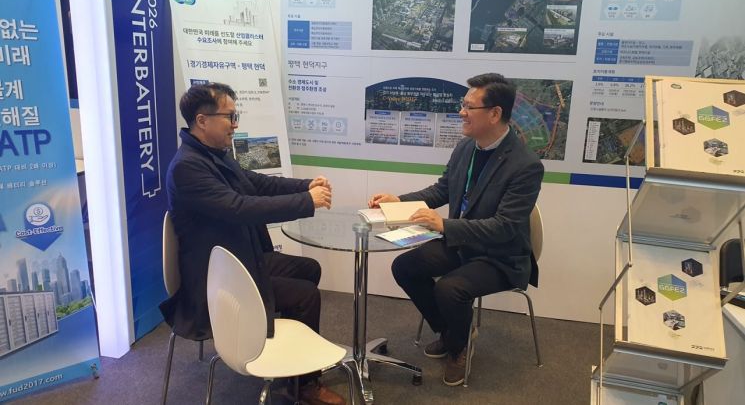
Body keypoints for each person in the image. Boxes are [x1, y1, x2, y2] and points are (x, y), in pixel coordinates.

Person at [160, 82, 345, 405]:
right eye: (229, 117)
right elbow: (238, 207)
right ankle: (302, 386)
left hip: (240, 258)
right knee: (306, 295)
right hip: (218, 279)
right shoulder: (188, 167)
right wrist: (307, 201)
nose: (235, 124)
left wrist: (305, 185)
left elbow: (254, 183)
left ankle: (280, 354)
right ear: (202, 120)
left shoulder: (211, 154)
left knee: (308, 268)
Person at [368, 73, 544, 386]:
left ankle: (458, 348)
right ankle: (454, 334)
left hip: (501, 256)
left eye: (469, 107)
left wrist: (445, 225)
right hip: (463, 243)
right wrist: (398, 200)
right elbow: (442, 190)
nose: (461, 112)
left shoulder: (525, 165)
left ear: (494, 114)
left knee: (449, 289)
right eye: (462, 105)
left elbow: (504, 227)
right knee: (405, 267)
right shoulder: (466, 148)